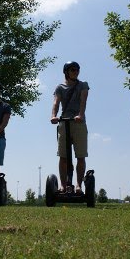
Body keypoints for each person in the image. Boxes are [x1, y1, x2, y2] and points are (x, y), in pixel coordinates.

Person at [51, 61, 90, 193]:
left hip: (79, 123)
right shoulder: (60, 87)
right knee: (63, 156)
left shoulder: (83, 85)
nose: (76, 72)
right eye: (73, 70)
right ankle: (63, 185)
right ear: (66, 71)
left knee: (80, 156)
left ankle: (78, 185)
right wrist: (53, 116)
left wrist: (80, 115)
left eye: (77, 69)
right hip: (64, 122)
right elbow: (56, 102)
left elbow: (83, 101)